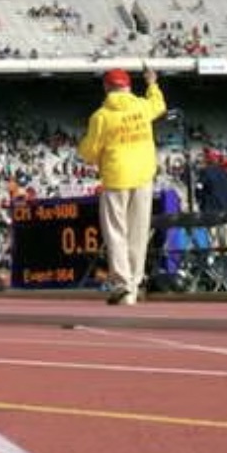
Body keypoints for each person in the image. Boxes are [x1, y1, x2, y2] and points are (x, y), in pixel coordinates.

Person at [77, 66, 165, 305]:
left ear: (106, 87)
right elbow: (159, 105)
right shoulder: (141, 106)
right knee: (138, 232)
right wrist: (152, 83)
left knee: (117, 233)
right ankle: (134, 285)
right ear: (128, 86)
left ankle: (122, 283)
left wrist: (85, 149)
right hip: (143, 175)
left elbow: (89, 152)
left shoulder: (101, 116)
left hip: (116, 176)